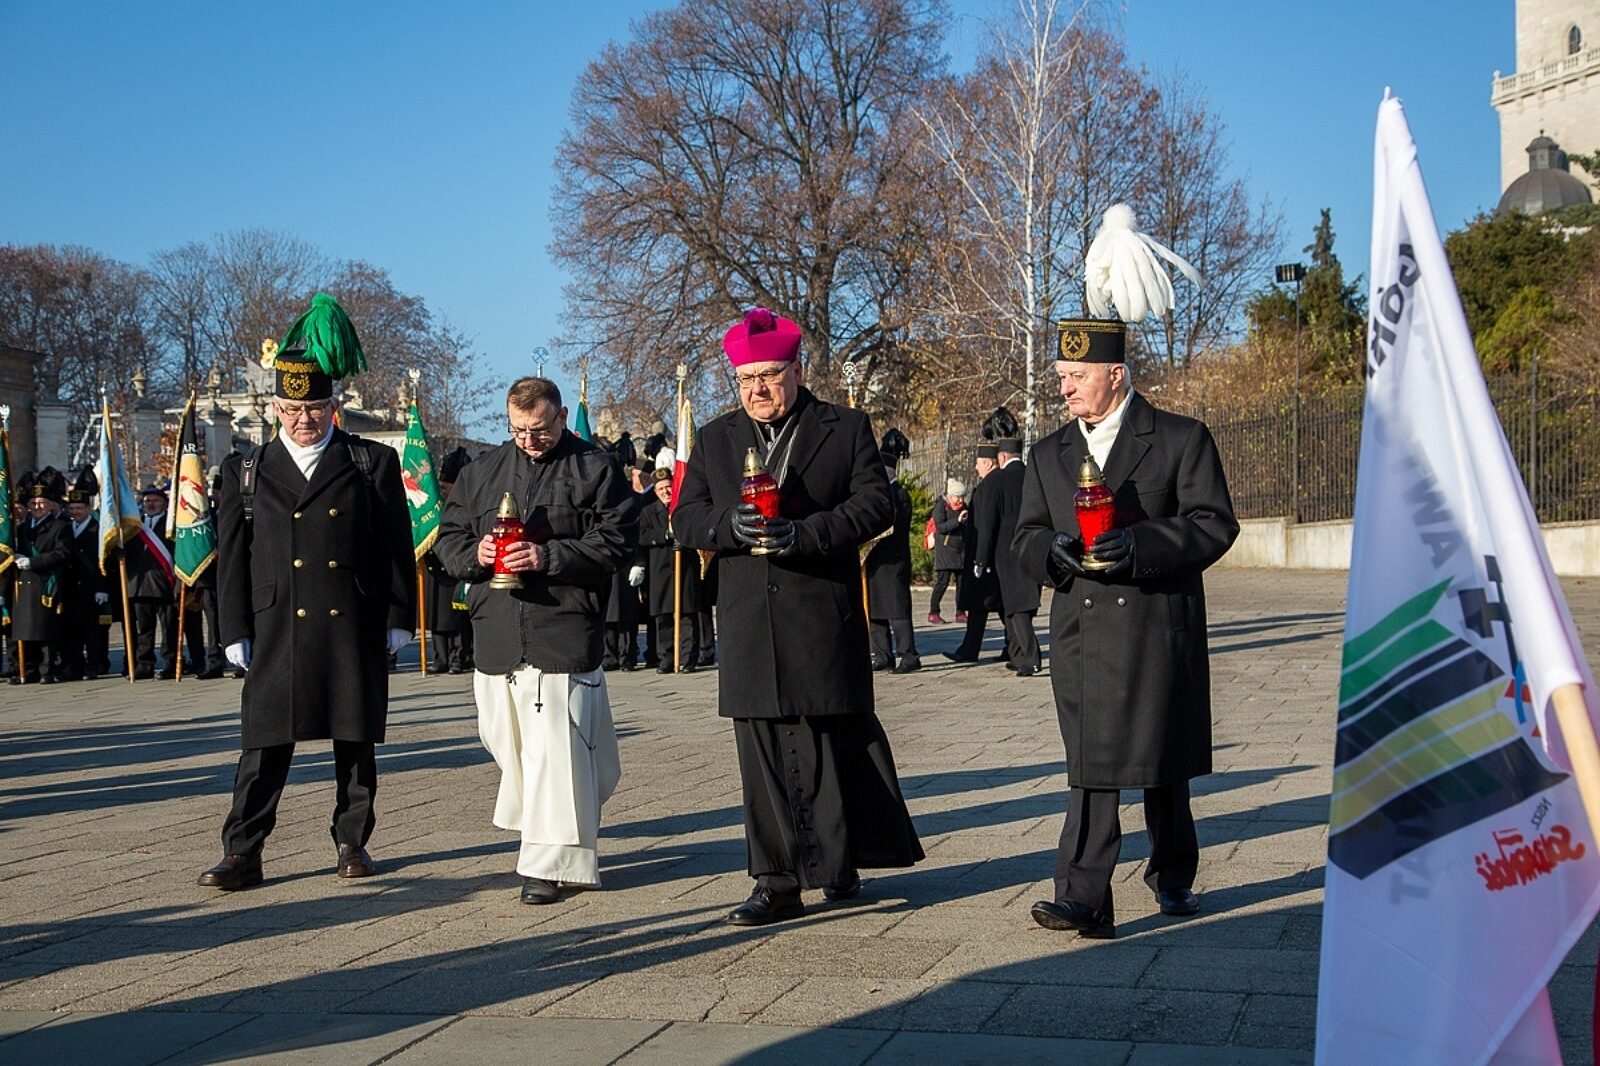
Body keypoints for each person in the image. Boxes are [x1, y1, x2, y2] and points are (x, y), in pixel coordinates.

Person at [674, 306, 922, 926]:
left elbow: (876, 505)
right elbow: (684, 517)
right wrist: (725, 525)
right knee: (760, 753)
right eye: (746, 379)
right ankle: (776, 881)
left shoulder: (845, 427)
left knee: (829, 745)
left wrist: (807, 534)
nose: (757, 389)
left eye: (769, 375)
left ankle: (838, 864)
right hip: (748, 618)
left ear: (797, 370)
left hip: (819, 611)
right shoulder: (715, 438)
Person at [1015, 315, 1237, 939]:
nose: (1065, 388)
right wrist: (1050, 551)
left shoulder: (1181, 437)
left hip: (1155, 625)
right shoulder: (1048, 453)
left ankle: (1173, 872)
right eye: (1061, 376)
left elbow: (1214, 523)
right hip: (1082, 634)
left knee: (1163, 760)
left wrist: (1140, 545)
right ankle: (1083, 896)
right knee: (1092, 762)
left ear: (1116, 374)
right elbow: (1025, 535)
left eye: (1077, 376)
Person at [198, 293, 415, 891]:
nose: (303, 420)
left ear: (333, 407)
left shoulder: (370, 463)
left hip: (352, 618)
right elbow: (232, 559)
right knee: (263, 744)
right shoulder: (246, 471)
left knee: (354, 739)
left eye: (315, 408)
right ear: (275, 408)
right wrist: (233, 628)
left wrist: (400, 616)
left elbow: (396, 546)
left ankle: (352, 842)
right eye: (292, 409)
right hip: (276, 623)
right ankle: (243, 851)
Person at [434, 376, 633, 905]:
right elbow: (448, 540)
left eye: (540, 429)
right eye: (518, 430)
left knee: (555, 754)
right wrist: (474, 555)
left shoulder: (596, 469)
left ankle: (547, 864)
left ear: (561, 416)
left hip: (562, 629)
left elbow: (617, 540)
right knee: (513, 749)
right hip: (497, 633)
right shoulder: (480, 472)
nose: (529, 440)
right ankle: (558, 826)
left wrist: (549, 556)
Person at [976, 434, 1041, 677]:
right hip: (1033, 545)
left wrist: (981, 558)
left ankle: (1031, 658)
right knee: (1017, 604)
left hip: (1006, 551)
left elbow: (988, 523)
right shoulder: (1033, 476)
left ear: (1001, 457)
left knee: (1016, 606)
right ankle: (1016, 655)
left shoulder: (996, 480)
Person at [637, 465, 701, 672]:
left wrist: (684, 538)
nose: (666, 492)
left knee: (687, 616)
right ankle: (666, 657)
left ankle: (688, 658)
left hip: (684, 570)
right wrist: (664, 535)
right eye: (661, 489)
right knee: (663, 617)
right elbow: (642, 536)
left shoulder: (684, 509)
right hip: (661, 572)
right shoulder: (648, 512)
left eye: (668, 487)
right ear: (655, 491)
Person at [9, 469, 69, 685]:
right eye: (33, 503)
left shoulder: (59, 527)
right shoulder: (21, 528)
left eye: (41, 503)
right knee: (26, 630)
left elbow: (62, 553)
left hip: (45, 583)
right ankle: (28, 669)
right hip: (24, 584)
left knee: (44, 630)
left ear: (51, 505)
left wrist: (32, 562)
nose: (37, 507)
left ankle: (47, 669)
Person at [945, 443, 1003, 662]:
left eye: (978, 463)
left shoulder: (988, 486)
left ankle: (1020, 647)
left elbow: (985, 524)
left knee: (990, 605)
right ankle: (971, 649)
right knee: (985, 607)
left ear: (988, 463)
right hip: (991, 555)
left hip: (986, 555)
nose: (976, 467)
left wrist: (980, 558)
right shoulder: (992, 483)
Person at [865, 446, 919, 673]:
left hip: (893, 561)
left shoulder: (899, 494)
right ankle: (882, 654)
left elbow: (893, 526)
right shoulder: (882, 494)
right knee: (875, 610)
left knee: (897, 610)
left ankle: (908, 655)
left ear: (888, 470)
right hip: (876, 561)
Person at [58, 469, 113, 681]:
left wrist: (102, 587)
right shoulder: (64, 528)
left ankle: (96, 664)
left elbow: (106, 562)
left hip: (92, 588)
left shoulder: (99, 529)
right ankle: (75, 665)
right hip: (70, 587)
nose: (74, 512)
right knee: (72, 630)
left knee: (94, 631)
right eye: (71, 508)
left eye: (79, 508)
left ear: (88, 508)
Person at [424, 448, 475, 674]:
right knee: (437, 617)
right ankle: (440, 657)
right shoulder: (433, 507)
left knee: (457, 618)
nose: (442, 490)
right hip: (435, 568)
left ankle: (459, 656)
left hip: (456, 568)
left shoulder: (469, 503)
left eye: (446, 487)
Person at [127, 484, 178, 679]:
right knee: (144, 628)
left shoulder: (171, 524)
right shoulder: (134, 525)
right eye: (147, 500)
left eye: (156, 500)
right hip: (139, 584)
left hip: (163, 583)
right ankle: (144, 664)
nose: (151, 504)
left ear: (164, 503)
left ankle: (171, 663)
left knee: (169, 627)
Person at [927, 478, 967, 624]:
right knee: (942, 583)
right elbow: (941, 527)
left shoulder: (964, 507)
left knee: (962, 584)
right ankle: (933, 612)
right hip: (945, 550)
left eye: (962, 497)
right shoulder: (940, 507)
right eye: (957, 497)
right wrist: (957, 521)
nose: (960, 500)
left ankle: (960, 612)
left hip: (960, 551)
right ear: (949, 496)